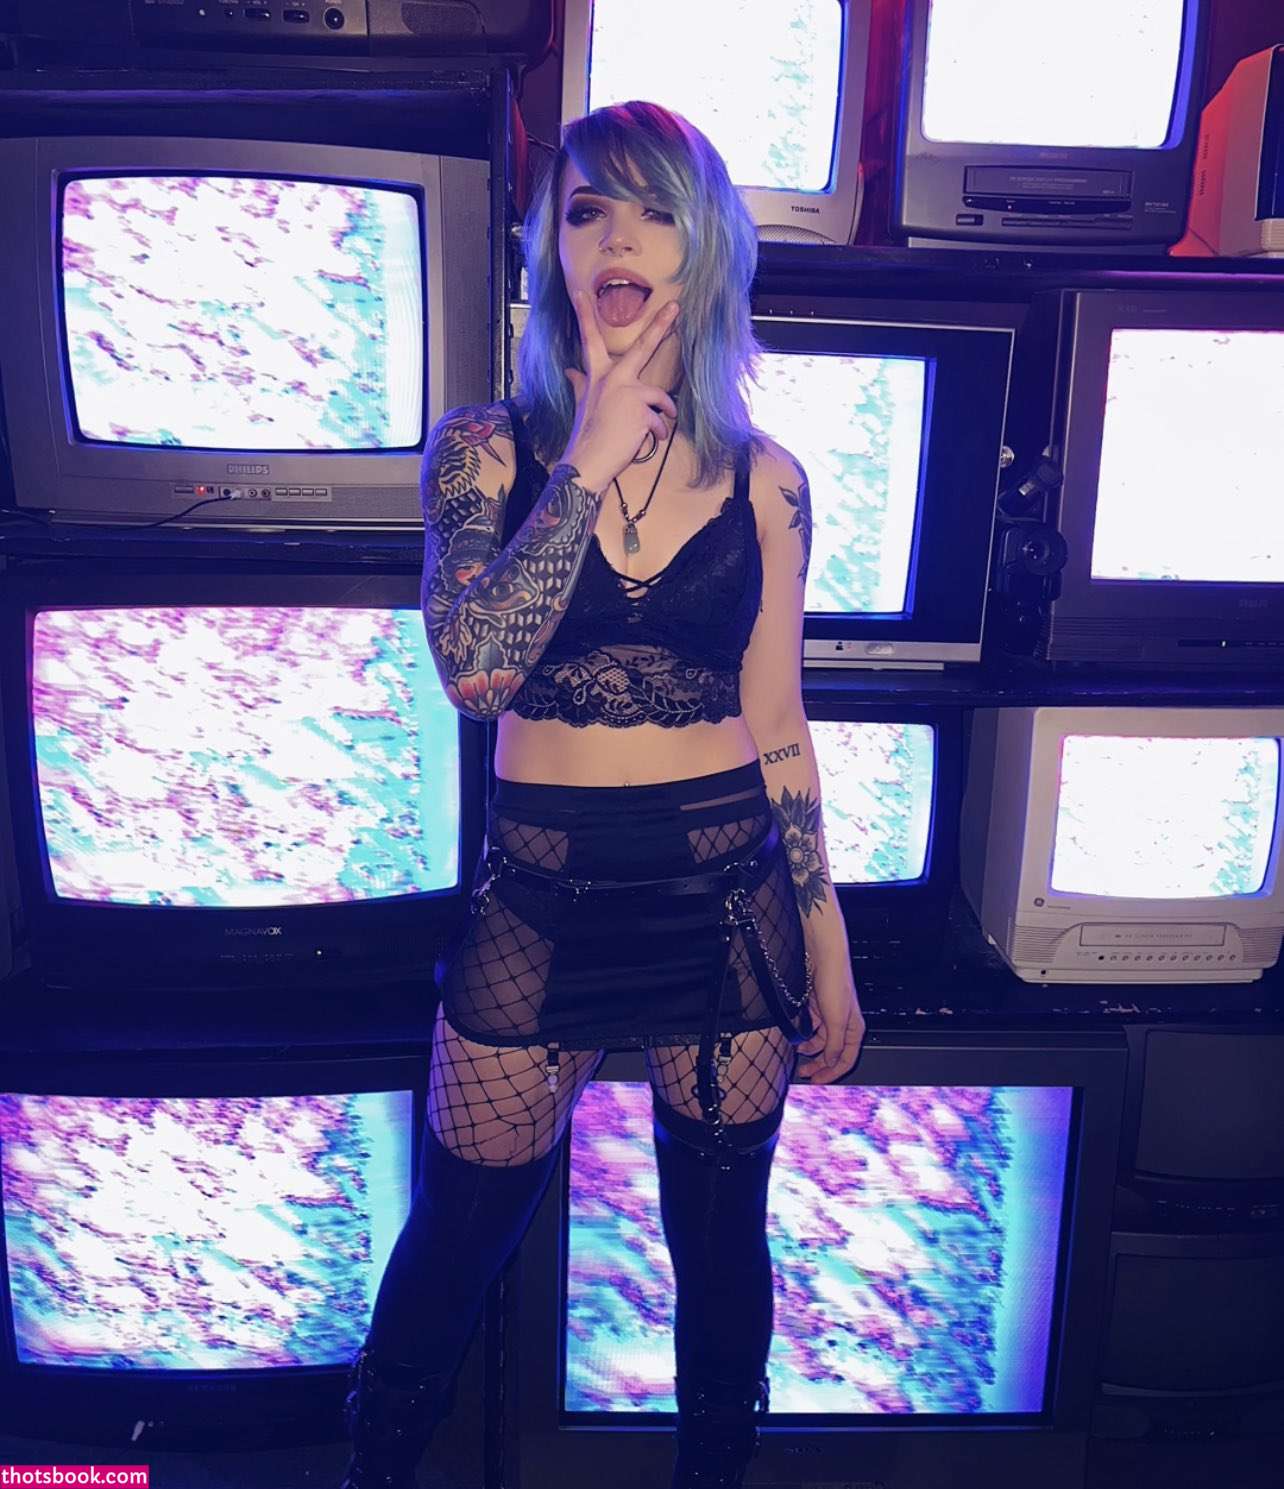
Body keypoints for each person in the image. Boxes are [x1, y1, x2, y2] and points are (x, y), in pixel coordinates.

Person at [340, 99, 866, 1489]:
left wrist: (828, 937)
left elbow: (777, 717)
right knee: (453, 1244)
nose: (617, 238)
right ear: (552, 249)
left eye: (654, 210)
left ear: (706, 250)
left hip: (727, 897)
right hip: (541, 898)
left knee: (722, 1256)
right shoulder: (484, 451)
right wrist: (583, 456)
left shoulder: (768, 482)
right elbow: (473, 672)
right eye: (587, 210)